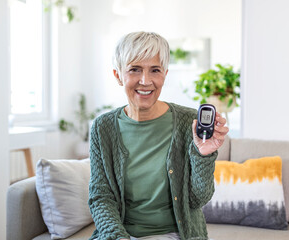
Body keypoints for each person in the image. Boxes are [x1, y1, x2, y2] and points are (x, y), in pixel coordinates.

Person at [88, 31, 229, 240]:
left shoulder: (188, 122)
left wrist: (204, 156)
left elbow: (198, 199)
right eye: (135, 69)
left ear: (165, 74)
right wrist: (117, 236)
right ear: (118, 75)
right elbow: (101, 197)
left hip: (175, 234)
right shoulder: (102, 128)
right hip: (120, 234)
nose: (145, 81)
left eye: (155, 70)